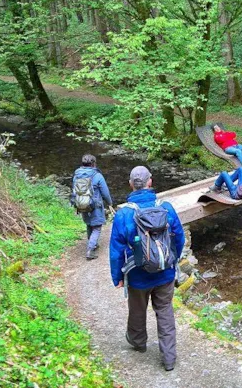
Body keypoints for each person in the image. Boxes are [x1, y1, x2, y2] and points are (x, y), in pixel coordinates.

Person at [109, 166, 185, 372]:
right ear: (150, 182)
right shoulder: (166, 207)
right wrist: (171, 260)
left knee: (137, 309)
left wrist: (117, 276)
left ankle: (138, 342)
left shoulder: (124, 214)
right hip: (165, 273)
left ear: (131, 184)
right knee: (165, 311)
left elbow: (116, 250)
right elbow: (179, 238)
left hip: (137, 275)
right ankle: (169, 358)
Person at [70, 154, 113, 260]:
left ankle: (93, 243)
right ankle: (90, 249)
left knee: (89, 224)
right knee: (97, 227)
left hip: (82, 203)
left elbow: (74, 190)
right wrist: (109, 203)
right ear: (94, 164)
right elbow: (105, 192)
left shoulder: (77, 175)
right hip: (95, 205)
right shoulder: (97, 175)